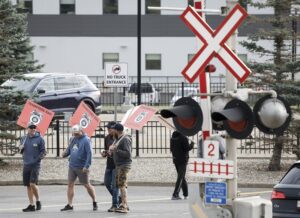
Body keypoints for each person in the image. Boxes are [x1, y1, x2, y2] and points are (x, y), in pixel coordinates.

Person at [61, 124, 98, 211]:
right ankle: (70, 204)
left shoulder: (86, 140)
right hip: (72, 165)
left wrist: (87, 165)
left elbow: (89, 154)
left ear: (81, 131)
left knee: (86, 185)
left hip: (82, 167)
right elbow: (70, 149)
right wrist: (65, 154)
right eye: (74, 133)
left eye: (77, 133)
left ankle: (94, 201)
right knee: (70, 184)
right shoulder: (73, 139)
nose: (75, 135)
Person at [20, 123, 46, 212]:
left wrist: (37, 160)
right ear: (27, 128)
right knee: (28, 185)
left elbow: (43, 152)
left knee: (32, 184)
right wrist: (21, 148)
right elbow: (21, 151)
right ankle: (31, 205)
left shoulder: (40, 139)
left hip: (35, 165)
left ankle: (38, 200)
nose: (33, 129)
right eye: (31, 128)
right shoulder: (24, 138)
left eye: (34, 128)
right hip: (26, 164)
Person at [109, 123, 132, 213]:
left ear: (117, 130)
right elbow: (116, 152)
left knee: (122, 185)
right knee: (120, 185)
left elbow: (128, 154)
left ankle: (125, 206)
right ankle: (123, 204)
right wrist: (109, 153)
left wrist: (116, 150)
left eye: (113, 129)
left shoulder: (125, 139)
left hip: (124, 165)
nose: (111, 131)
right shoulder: (117, 139)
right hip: (118, 165)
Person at [101, 121, 120, 212]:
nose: (108, 130)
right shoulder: (107, 138)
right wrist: (105, 153)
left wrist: (114, 151)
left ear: (114, 129)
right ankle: (119, 198)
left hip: (117, 165)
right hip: (109, 164)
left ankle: (115, 204)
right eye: (107, 128)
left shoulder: (119, 139)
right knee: (107, 183)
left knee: (115, 185)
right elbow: (106, 149)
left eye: (110, 128)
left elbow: (123, 153)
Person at [170, 130, 194, 200]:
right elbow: (187, 148)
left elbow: (171, 149)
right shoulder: (183, 138)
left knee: (181, 176)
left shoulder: (172, 138)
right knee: (180, 177)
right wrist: (192, 144)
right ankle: (175, 194)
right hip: (183, 160)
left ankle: (185, 194)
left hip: (175, 159)